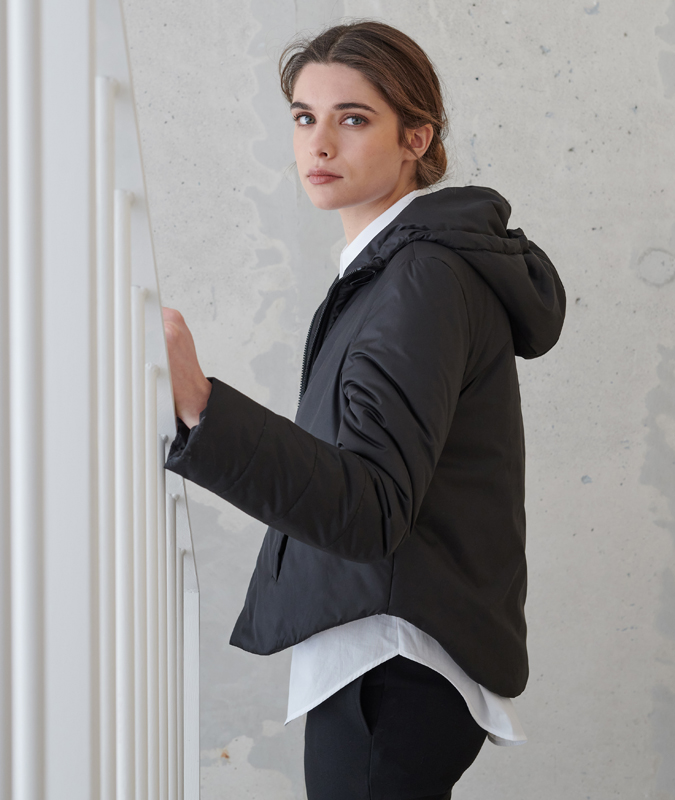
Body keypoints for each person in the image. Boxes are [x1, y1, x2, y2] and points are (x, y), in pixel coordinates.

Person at [163, 19, 566, 800]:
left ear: (416, 137)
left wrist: (203, 408)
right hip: (389, 661)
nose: (318, 144)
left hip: (392, 665)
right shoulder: (392, 274)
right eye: (303, 117)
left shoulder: (418, 280)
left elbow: (372, 507)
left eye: (352, 118)